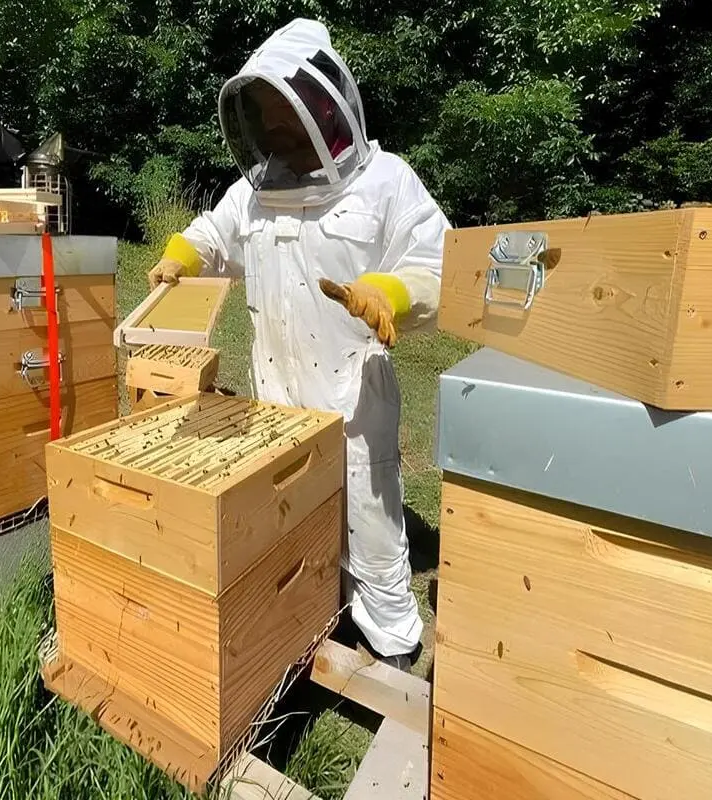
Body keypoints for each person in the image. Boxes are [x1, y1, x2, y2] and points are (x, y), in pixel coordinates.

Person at [147, 18, 451, 669]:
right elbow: (214, 232)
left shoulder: (388, 181)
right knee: (291, 518)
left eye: (287, 116)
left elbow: (442, 266)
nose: (277, 132)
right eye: (266, 119)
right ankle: (310, 613)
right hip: (276, 397)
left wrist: (394, 294)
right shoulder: (255, 192)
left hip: (354, 400)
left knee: (367, 519)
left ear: (323, 108)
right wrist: (182, 254)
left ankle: (391, 637)